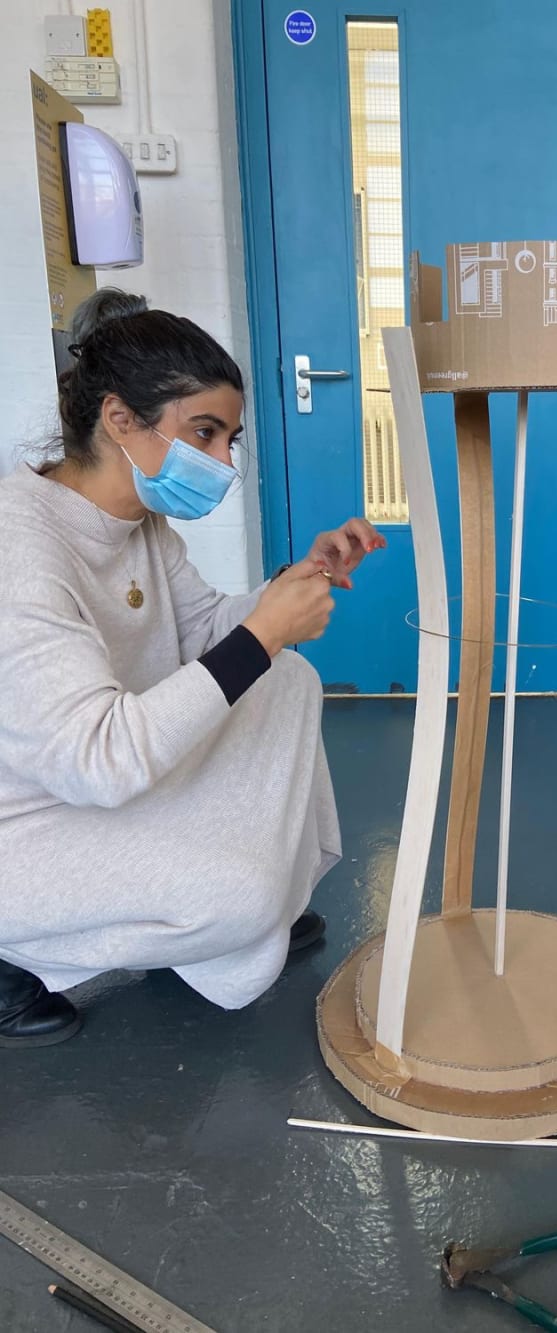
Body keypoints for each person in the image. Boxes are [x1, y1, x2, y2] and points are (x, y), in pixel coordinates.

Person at [0, 289, 386, 1047]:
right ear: (119, 420)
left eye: (229, 440)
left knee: (289, 680)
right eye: (203, 434)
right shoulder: (22, 549)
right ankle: (17, 951)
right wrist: (268, 631)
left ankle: (208, 917)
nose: (221, 462)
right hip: (32, 822)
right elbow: (98, 760)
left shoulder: (139, 521)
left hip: (102, 782)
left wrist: (295, 579)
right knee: (243, 898)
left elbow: (206, 628)